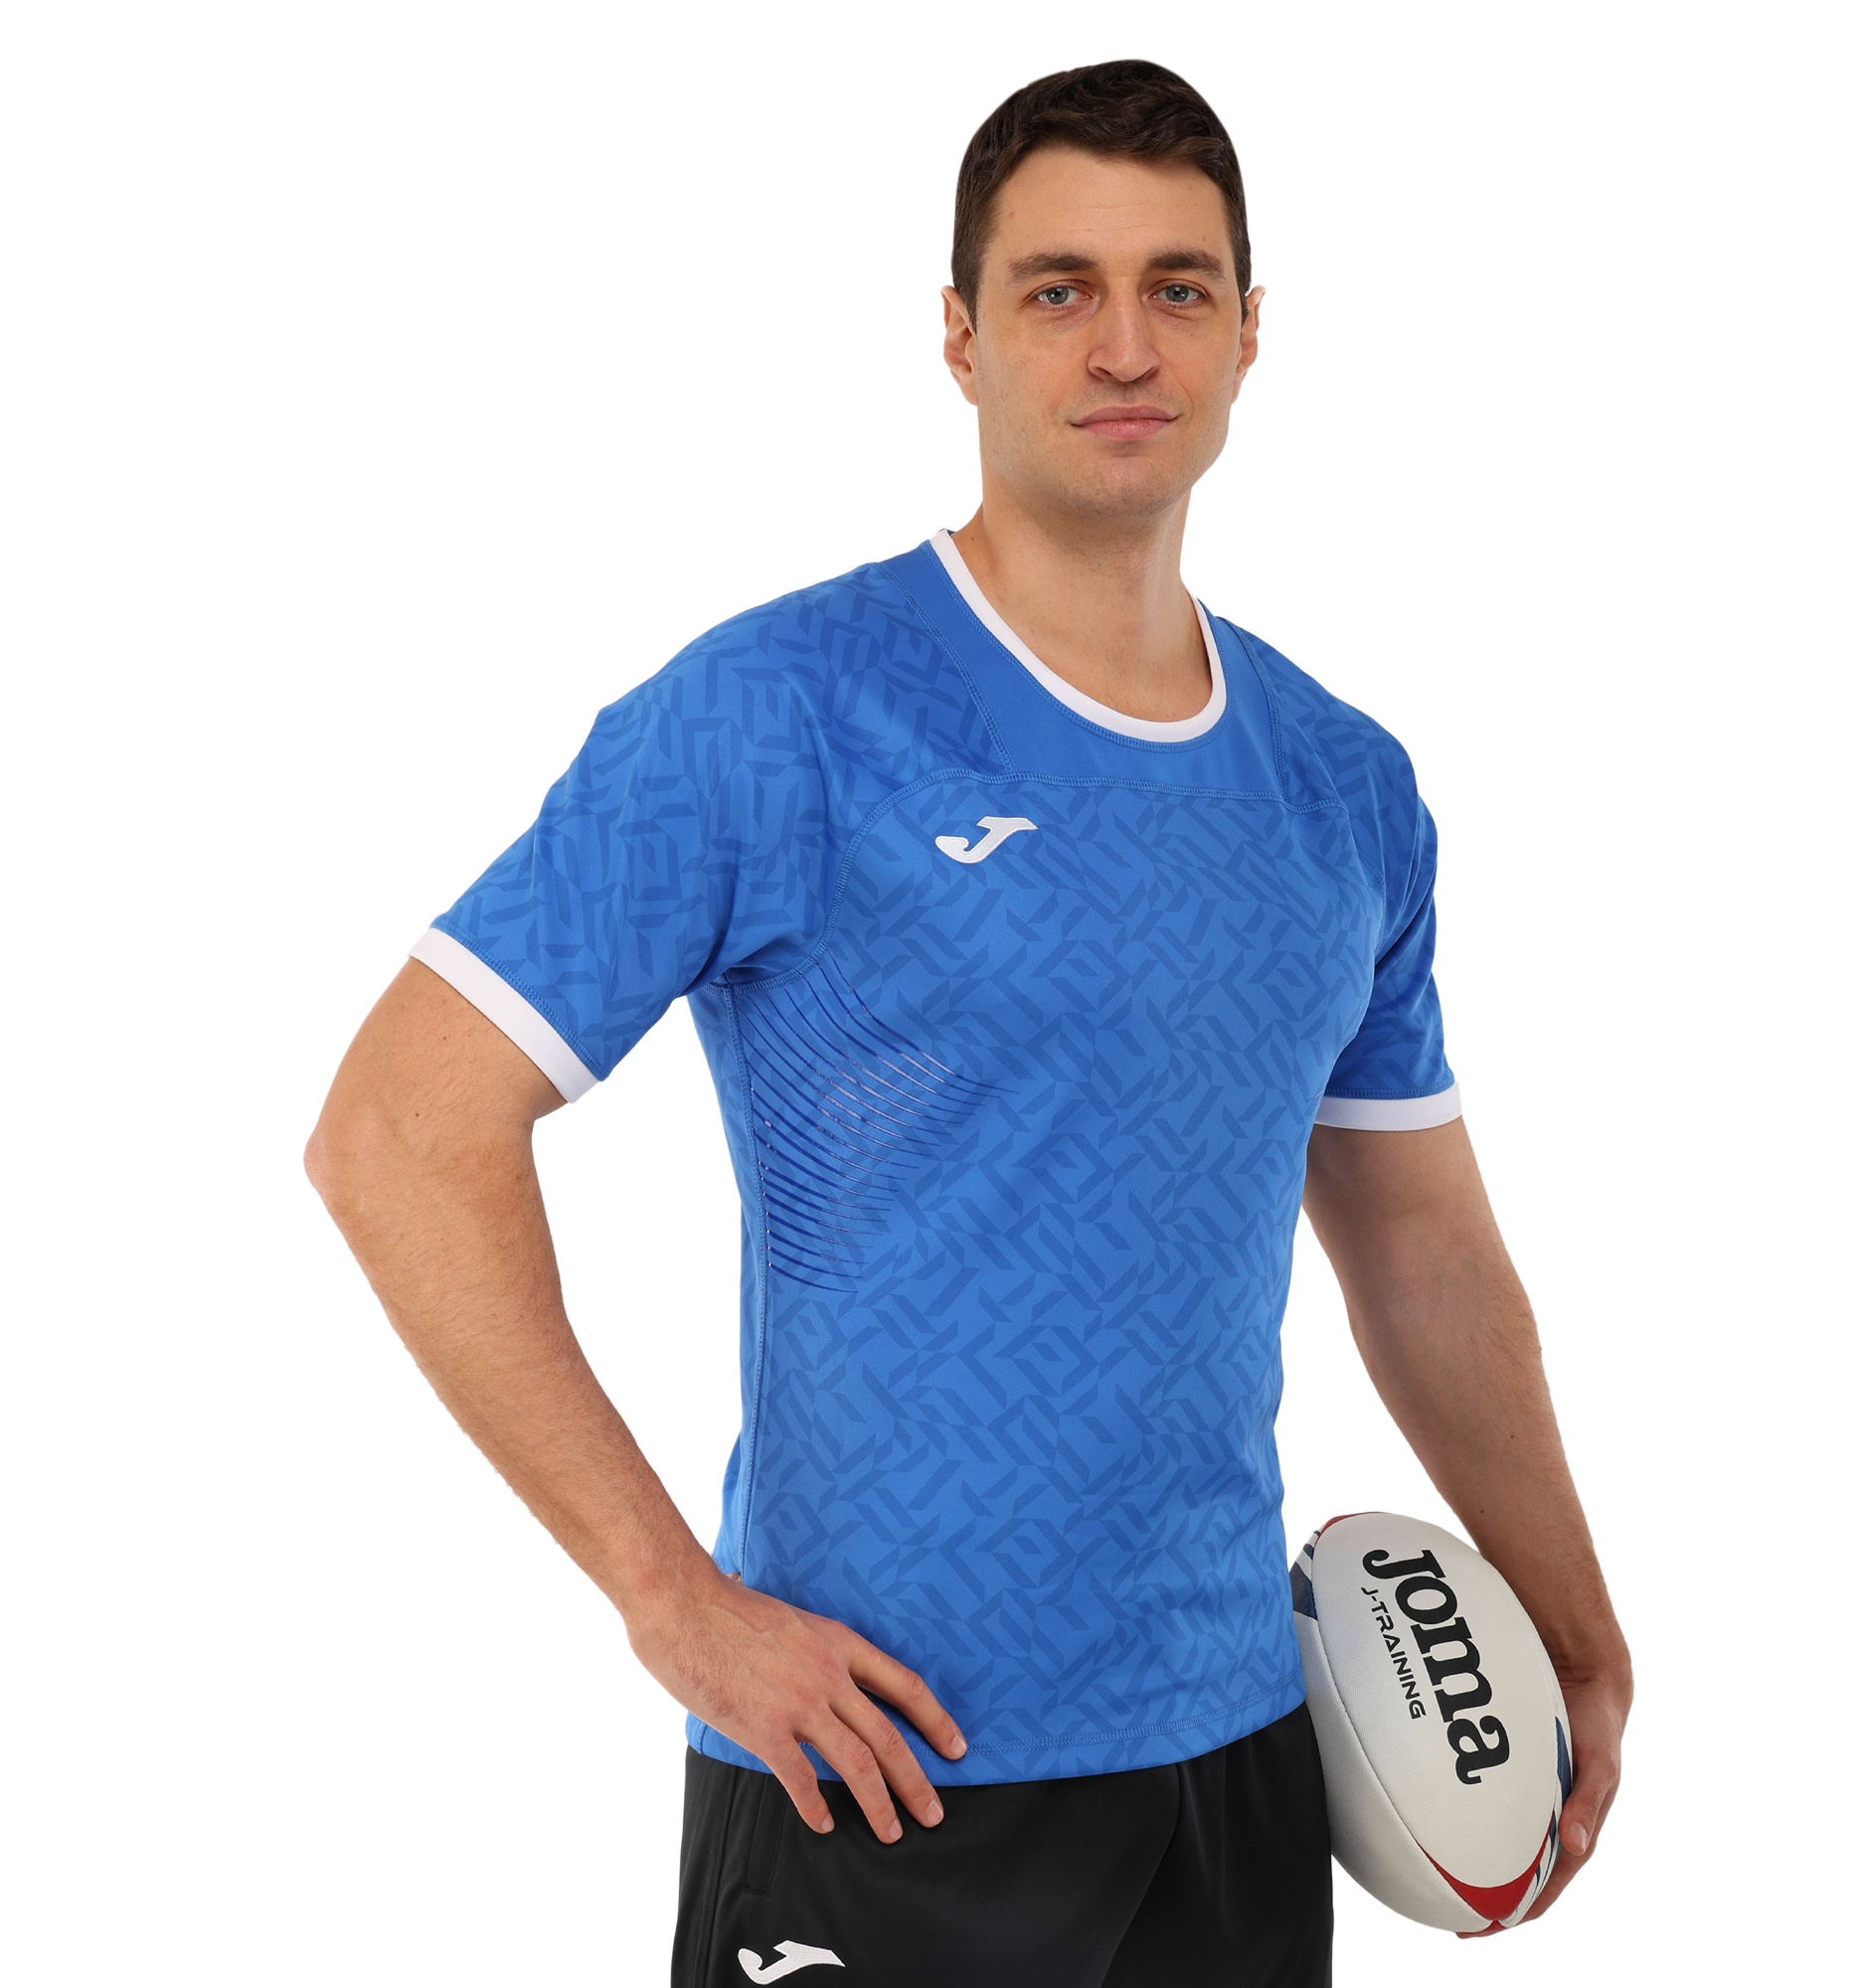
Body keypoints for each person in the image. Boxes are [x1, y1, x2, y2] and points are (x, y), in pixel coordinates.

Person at [306, 59, 1631, 1988]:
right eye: (1056, 288)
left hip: (1241, 1759)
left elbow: (1421, 1248)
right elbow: (397, 1133)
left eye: (1178, 287)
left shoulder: (1341, 785)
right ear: (960, 336)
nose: (1124, 345)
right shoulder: (779, 713)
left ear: (1249, 333)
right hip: (873, 1771)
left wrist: (1573, 1621)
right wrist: (671, 1602)